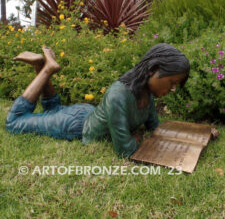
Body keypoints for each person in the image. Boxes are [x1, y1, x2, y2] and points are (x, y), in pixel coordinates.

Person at [6, 43, 217, 158]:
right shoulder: (119, 95)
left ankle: (41, 66)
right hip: (73, 125)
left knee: (53, 107)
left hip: (86, 112)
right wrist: (133, 139)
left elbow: (156, 128)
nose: (173, 89)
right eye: (172, 82)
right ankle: (48, 69)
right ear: (153, 71)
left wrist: (200, 135)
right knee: (14, 122)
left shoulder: (146, 92)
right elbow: (124, 149)